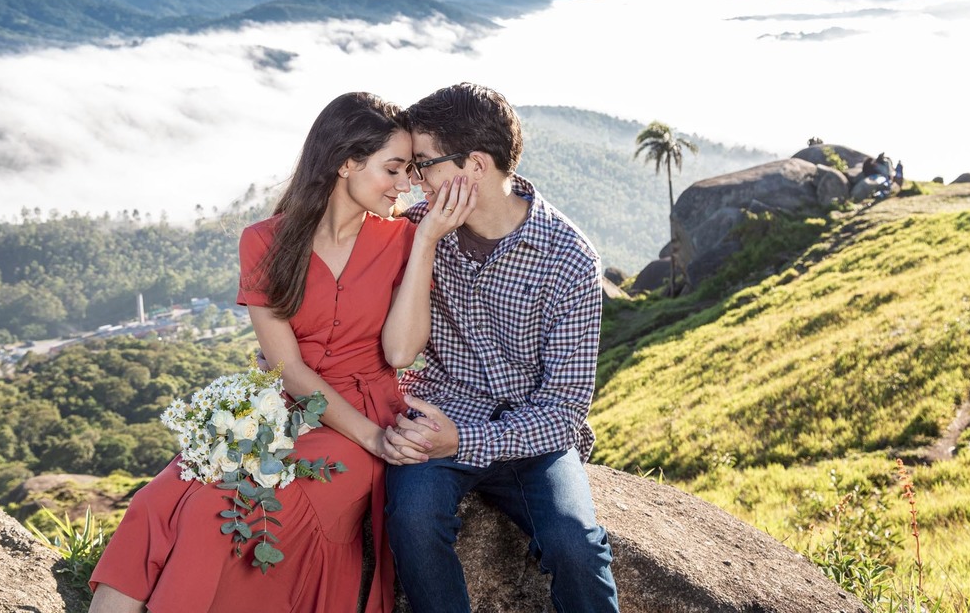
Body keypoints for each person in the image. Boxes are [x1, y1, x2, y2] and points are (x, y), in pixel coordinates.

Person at [88, 91, 475, 613]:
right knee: (157, 500)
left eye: (409, 169)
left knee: (214, 511)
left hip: (360, 419)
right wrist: (374, 438)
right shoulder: (264, 241)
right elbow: (288, 366)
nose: (407, 184)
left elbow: (402, 353)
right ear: (344, 162)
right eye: (394, 169)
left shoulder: (404, 239)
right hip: (281, 410)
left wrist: (426, 240)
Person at [383, 83, 620, 613]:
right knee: (412, 519)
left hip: (534, 435)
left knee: (575, 545)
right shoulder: (416, 229)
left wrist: (463, 440)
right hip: (438, 408)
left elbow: (562, 413)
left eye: (423, 165)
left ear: (474, 165)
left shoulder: (569, 259)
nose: (413, 181)